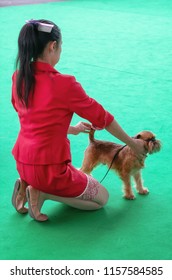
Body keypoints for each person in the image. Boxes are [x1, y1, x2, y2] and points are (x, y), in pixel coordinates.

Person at [11, 19, 145, 222]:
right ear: (53, 46)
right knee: (101, 199)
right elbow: (103, 118)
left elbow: (35, 121)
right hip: (50, 170)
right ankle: (42, 193)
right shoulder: (65, 84)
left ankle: (25, 185)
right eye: (60, 46)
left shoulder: (18, 77)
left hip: (22, 163)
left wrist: (71, 129)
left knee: (83, 180)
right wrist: (131, 143)